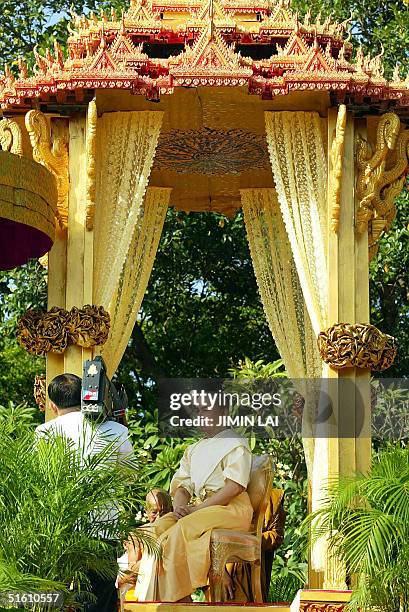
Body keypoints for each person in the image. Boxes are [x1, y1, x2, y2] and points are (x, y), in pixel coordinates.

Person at [131, 403, 253, 602]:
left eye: (206, 409)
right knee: (158, 528)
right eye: (198, 410)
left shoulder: (235, 442)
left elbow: (234, 487)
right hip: (203, 509)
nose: (200, 414)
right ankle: (155, 598)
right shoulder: (194, 449)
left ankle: (175, 600)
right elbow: (182, 487)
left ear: (223, 412)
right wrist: (180, 507)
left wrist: (195, 509)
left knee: (183, 527)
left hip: (231, 508)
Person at [35, 373, 134, 612]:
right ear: (87, 397)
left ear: (52, 405)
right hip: (103, 529)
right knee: (99, 601)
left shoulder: (43, 432)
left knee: (58, 601)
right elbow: (130, 477)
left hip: (59, 531)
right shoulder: (115, 430)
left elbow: (37, 481)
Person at [116, 489, 173, 599]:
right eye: (154, 512)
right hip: (144, 594)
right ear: (146, 511)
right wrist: (157, 555)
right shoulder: (138, 535)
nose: (159, 518)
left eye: (164, 513)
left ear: (172, 510)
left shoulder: (178, 530)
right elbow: (132, 573)